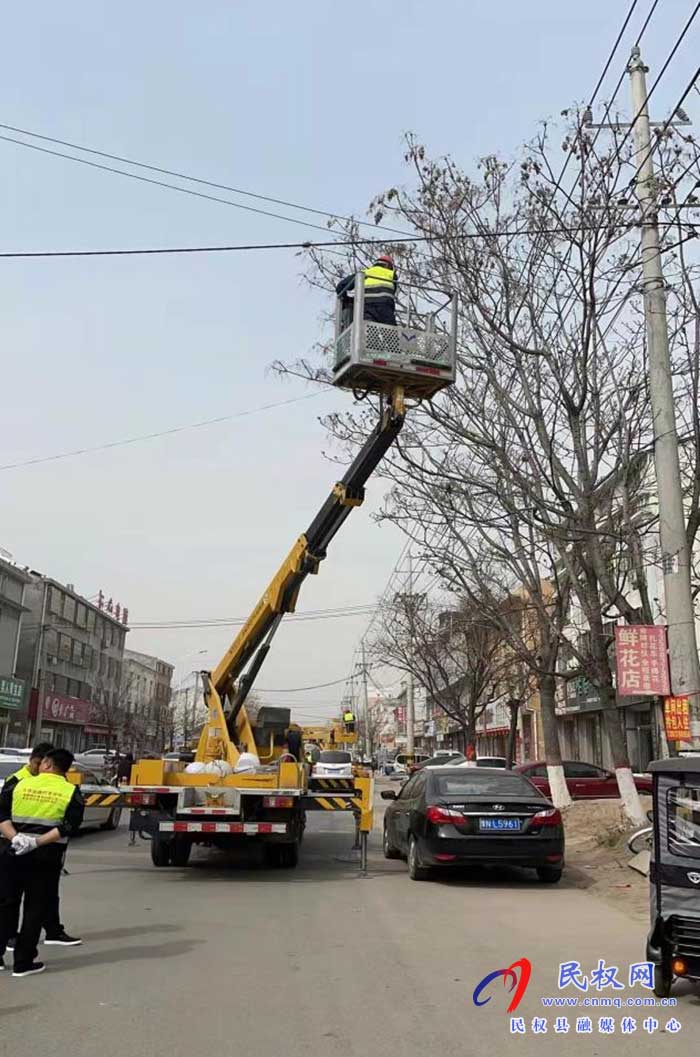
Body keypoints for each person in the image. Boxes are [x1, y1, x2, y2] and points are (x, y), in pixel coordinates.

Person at [0, 747, 84, 977]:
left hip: (13, 852)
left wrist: (16, 838)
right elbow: (69, 826)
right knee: (35, 908)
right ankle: (23, 962)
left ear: (46, 763)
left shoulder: (19, 784)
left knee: (6, 903)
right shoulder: (70, 791)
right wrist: (37, 842)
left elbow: (2, 817)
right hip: (45, 857)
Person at [335, 255, 398, 328]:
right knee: (390, 334)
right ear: (388, 265)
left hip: (366, 308)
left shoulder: (364, 273)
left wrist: (348, 300)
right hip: (385, 307)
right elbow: (392, 292)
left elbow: (340, 287)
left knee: (368, 335)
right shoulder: (391, 274)